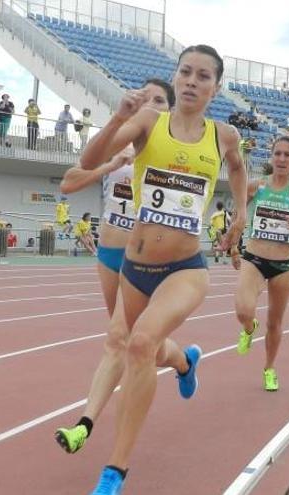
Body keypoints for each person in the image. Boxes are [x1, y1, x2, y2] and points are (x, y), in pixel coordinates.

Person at [75, 44, 247, 495]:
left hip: (186, 267)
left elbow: (238, 169)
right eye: (185, 72)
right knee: (140, 345)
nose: (192, 81)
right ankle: (185, 363)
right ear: (175, 77)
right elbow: (89, 163)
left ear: (217, 86)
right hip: (135, 266)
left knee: (141, 345)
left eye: (203, 75)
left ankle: (115, 470)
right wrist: (117, 117)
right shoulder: (149, 122)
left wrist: (242, 212)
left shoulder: (224, 135)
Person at [53, 78, 175, 462]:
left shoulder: (169, 152)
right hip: (109, 254)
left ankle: (84, 424)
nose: (151, 107)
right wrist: (110, 165)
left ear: (170, 111)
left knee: (120, 339)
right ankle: (184, 359)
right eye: (146, 100)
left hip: (146, 259)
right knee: (135, 343)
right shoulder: (118, 146)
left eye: (160, 102)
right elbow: (69, 183)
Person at [232, 137, 289, 391]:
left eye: (287, 155)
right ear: (271, 157)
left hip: (283, 265)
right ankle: (249, 327)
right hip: (254, 258)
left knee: (274, 322)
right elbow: (238, 217)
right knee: (244, 310)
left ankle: (269, 368)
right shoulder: (256, 187)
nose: (281, 159)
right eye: (277, 154)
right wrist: (234, 246)